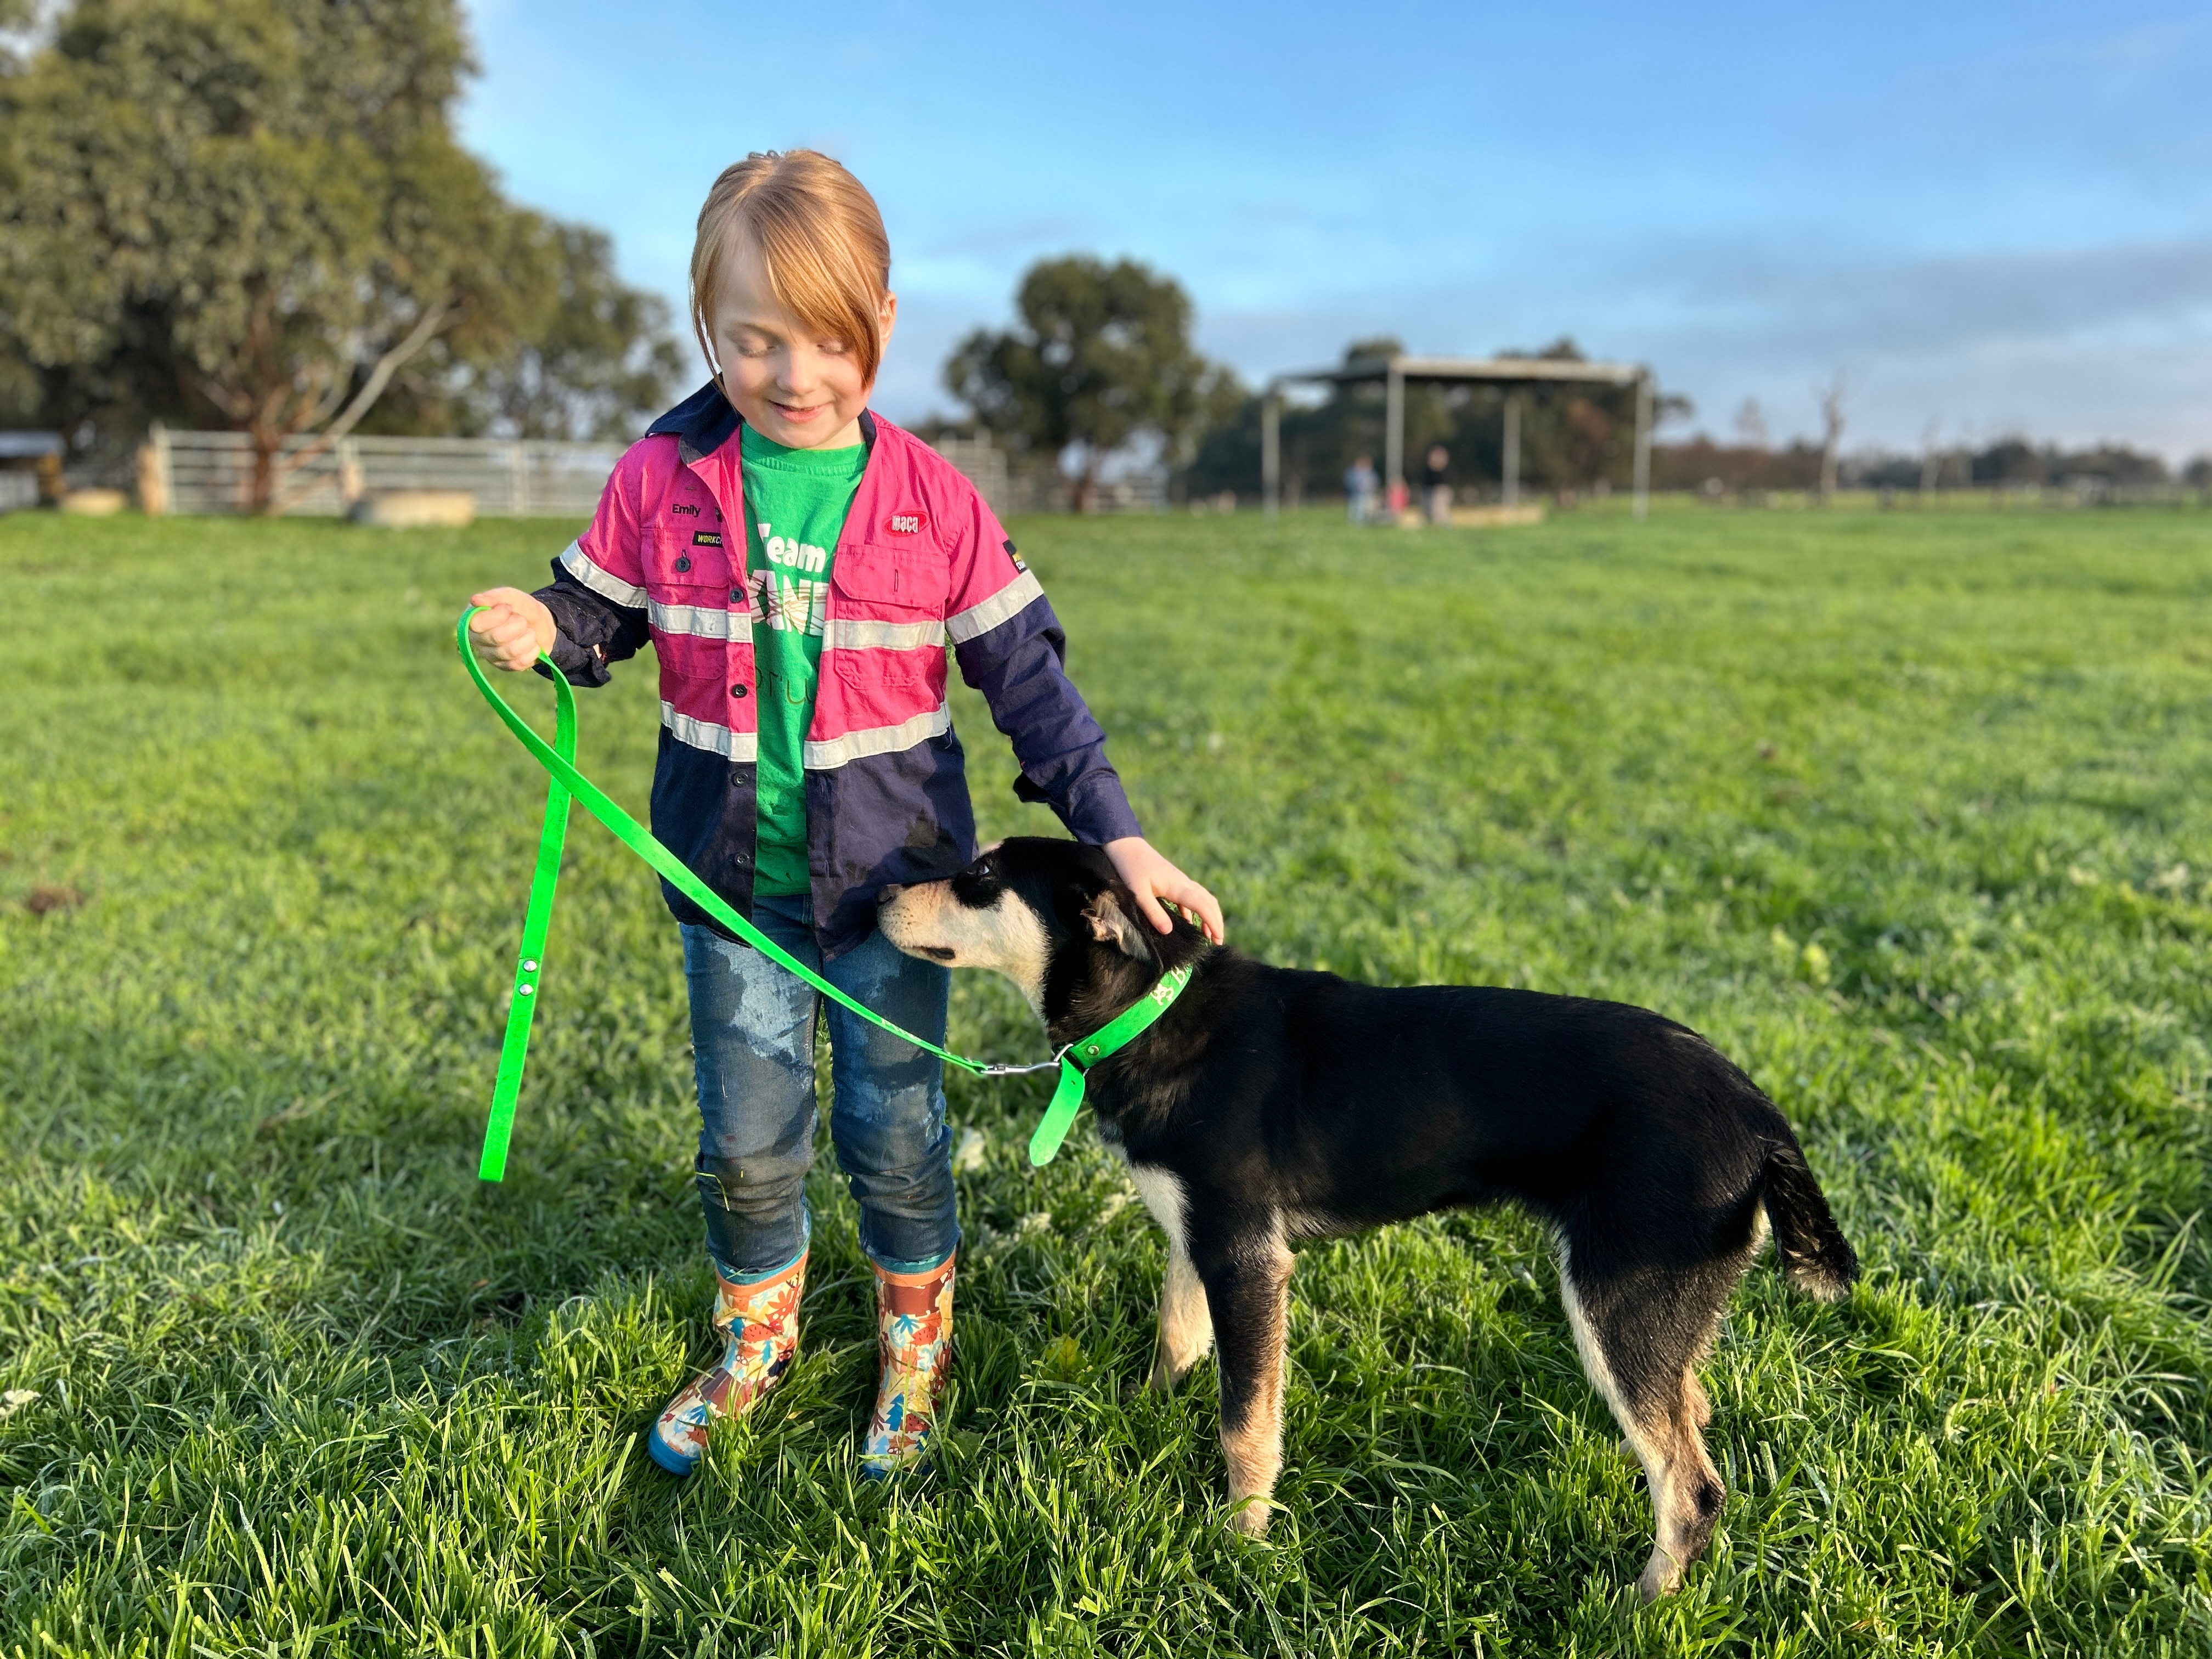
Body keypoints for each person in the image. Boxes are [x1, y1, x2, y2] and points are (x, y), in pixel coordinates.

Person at [464, 150, 1222, 1481]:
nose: (794, 374)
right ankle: (757, 1335)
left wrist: (1120, 836)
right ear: (710, 323)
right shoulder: (662, 474)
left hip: (899, 898)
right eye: (755, 339)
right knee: (749, 1141)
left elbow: (1030, 687)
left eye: (826, 339)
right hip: (729, 892)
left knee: (893, 1129)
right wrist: (548, 626)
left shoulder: (938, 503)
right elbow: (600, 610)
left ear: (878, 316)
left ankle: (912, 1346)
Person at [1422, 444, 1453, 524]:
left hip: (1440, 492)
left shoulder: (1445, 470)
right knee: (1427, 512)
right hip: (1429, 490)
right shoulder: (1428, 470)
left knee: (1439, 512)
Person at [1344, 454, 1378, 523]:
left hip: (1368, 493)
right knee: (1356, 508)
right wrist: (1358, 487)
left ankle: (1365, 521)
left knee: (1367, 509)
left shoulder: (1371, 472)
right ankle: (1356, 522)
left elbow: (1376, 481)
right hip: (1356, 493)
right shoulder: (1352, 472)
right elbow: (1349, 482)